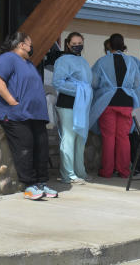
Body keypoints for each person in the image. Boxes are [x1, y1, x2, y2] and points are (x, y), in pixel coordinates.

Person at [0, 32, 57, 201]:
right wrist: (12, 101)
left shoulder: (28, 63)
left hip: (34, 114)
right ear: (20, 44)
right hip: (14, 113)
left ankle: (41, 182)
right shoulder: (7, 58)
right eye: (29, 43)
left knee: (41, 145)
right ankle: (29, 185)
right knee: (25, 145)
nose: (31, 47)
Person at [90, 33, 140, 178]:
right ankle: (124, 171)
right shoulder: (131, 62)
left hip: (107, 103)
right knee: (123, 137)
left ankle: (107, 171)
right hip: (127, 103)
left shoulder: (102, 61)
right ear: (123, 45)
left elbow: (94, 83)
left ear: (109, 44)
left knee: (108, 137)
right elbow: (136, 84)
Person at [51, 32, 93, 184]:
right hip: (68, 103)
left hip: (81, 105)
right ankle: (68, 174)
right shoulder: (63, 60)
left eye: (79, 43)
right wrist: (80, 89)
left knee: (80, 138)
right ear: (68, 44)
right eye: (74, 43)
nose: (77, 46)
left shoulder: (83, 61)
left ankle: (80, 171)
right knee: (69, 139)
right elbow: (58, 82)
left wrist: (85, 90)